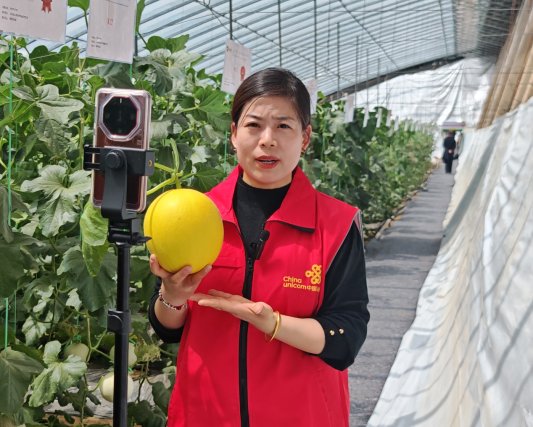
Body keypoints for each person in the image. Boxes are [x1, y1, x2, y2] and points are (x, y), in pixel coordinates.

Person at [147, 67, 369, 427]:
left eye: (283, 126)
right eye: (254, 125)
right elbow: (168, 329)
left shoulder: (337, 224)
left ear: (305, 137)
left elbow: (346, 337)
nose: (268, 140)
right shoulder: (194, 215)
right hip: (204, 414)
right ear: (234, 134)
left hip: (303, 417)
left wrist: (273, 323)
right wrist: (171, 295)